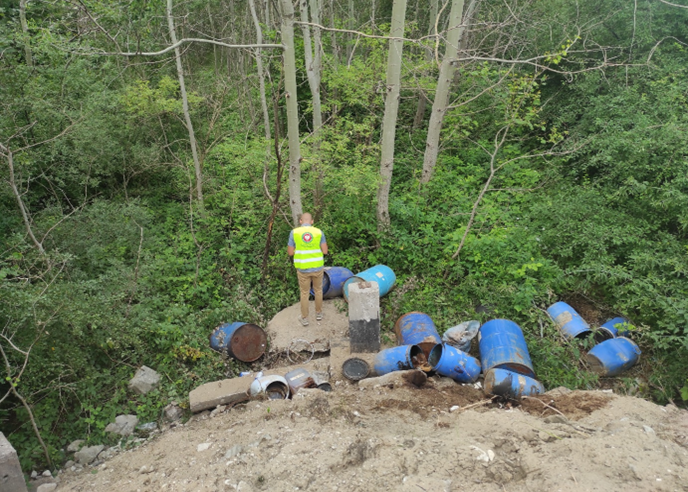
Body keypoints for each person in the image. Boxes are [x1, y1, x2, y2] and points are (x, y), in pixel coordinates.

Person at [287, 212, 328, 326]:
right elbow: (325, 251)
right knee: (318, 290)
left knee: (304, 293)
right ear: (312, 221)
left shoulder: (294, 232)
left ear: (300, 221)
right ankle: (319, 314)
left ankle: (304, 318)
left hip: (303, 268)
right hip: (317, 268)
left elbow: (290, 252)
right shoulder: (319, 232)